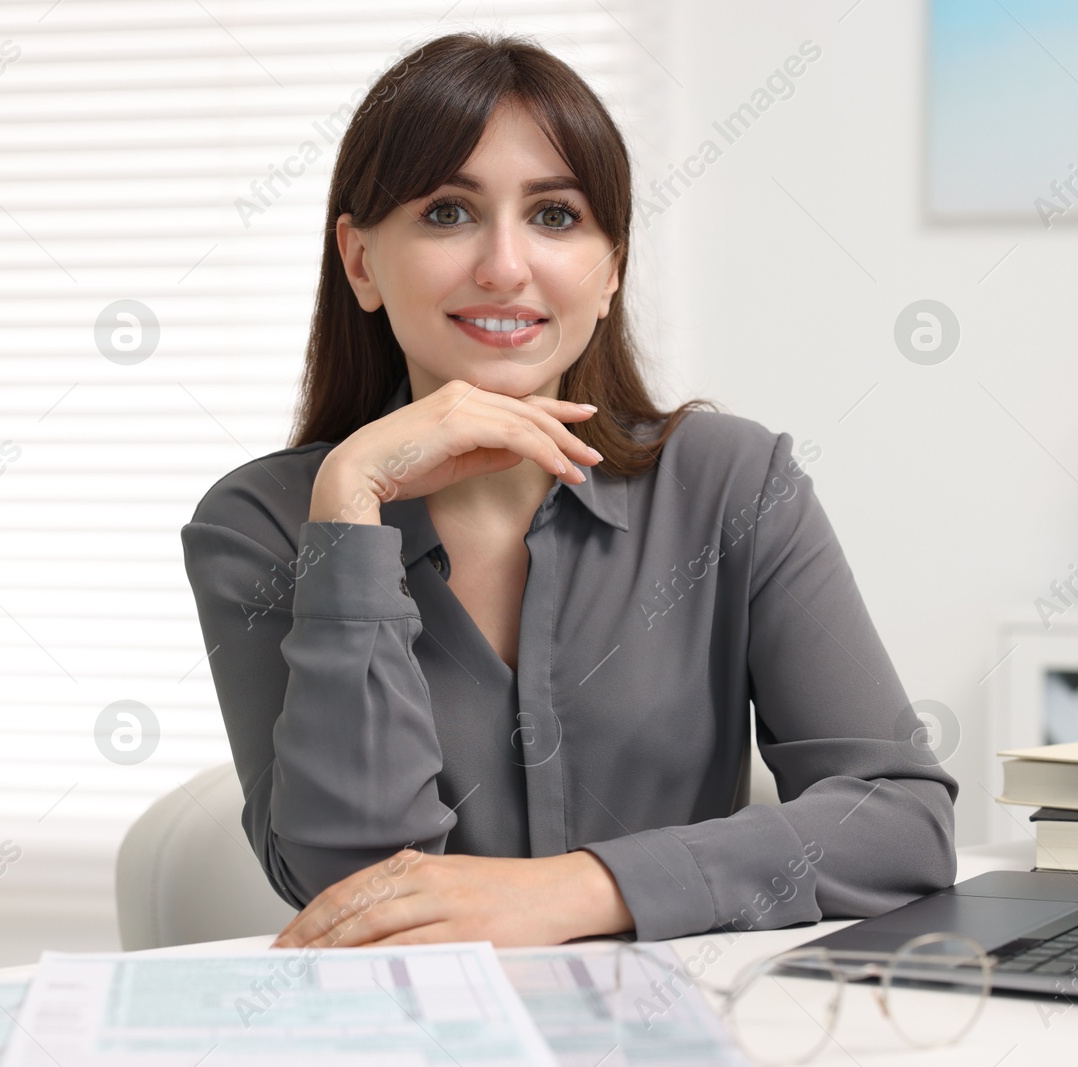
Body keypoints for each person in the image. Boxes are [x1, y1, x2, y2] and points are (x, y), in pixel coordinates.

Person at [180, 31, 957, 950]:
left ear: (612, 265)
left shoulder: (732, 483)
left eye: (555, 216)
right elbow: (357, 892)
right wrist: (351, 500)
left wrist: (580, 890)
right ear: (360, 262)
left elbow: (903, 821)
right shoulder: (267, 525)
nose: (506, 266)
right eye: (445, 213)